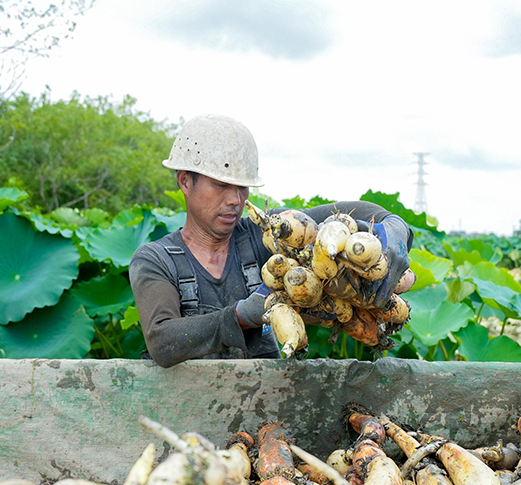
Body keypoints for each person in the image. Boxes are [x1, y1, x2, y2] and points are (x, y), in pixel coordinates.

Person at [130, 113, 414, 368]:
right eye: (221, 185)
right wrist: (241, 316)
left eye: (242, 187)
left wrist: (396, 229)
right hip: (188, 411)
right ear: (184, 181)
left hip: (267, 408)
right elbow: (163, 342)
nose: (235, 200)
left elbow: (354, 211)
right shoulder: (156, 260)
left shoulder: (268, 234)